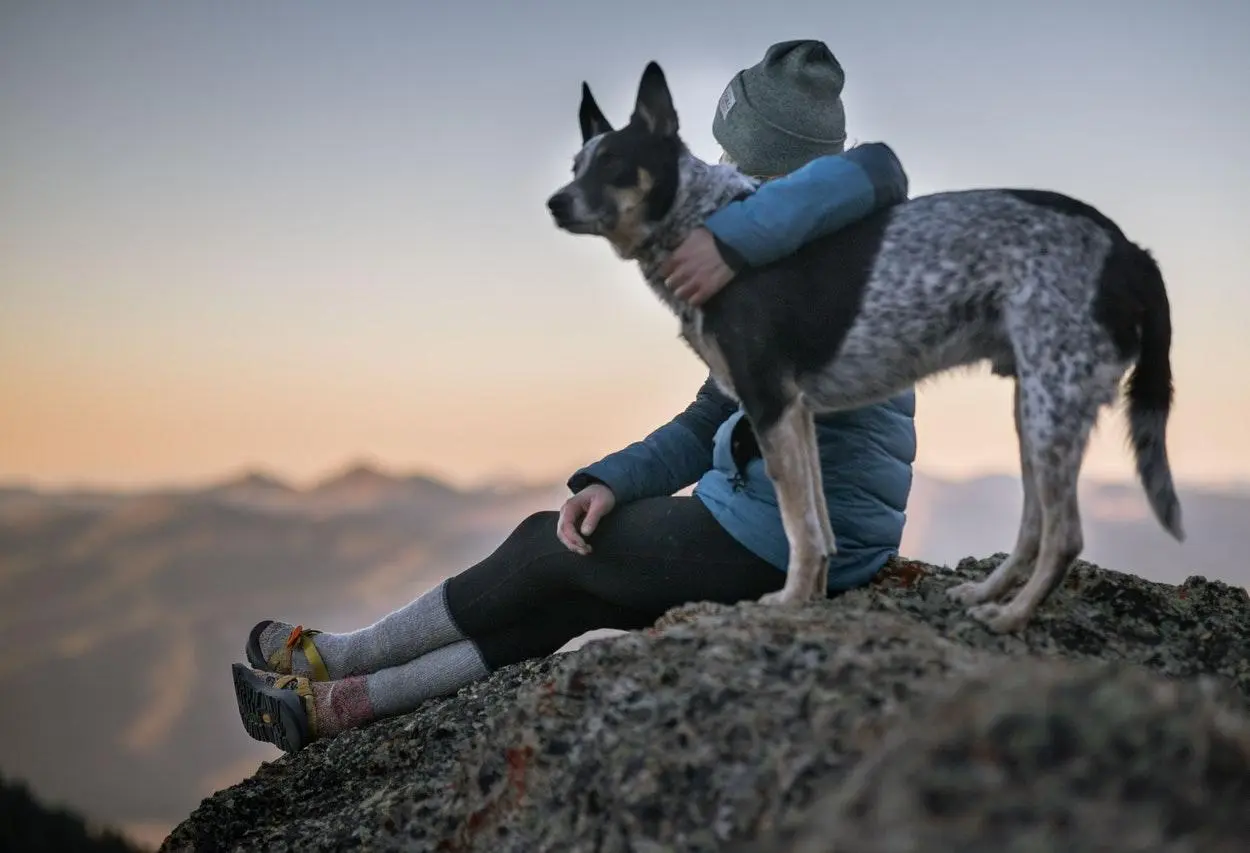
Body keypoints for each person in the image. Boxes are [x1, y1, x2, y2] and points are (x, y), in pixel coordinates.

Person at [232, 39, 918, 753]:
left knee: (545, 546)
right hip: (774, 519)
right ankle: (335, 707)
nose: (718, 169)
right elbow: (712, 412)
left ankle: (340, 658)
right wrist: (613, 481)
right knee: (572, 586)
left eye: (732, 155)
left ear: (772, 167)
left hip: (797, 540)